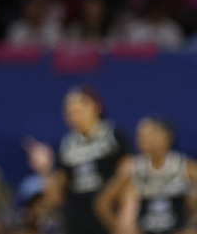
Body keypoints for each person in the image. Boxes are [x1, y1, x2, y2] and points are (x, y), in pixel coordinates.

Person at [48, 86, 130, 234]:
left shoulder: (114, 135)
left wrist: (108, 204)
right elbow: (58, 193)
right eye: (70, 113)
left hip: (109, 215)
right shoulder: (67, 144)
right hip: (77, 219)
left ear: (96, 107)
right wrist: (46, 169)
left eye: (78, 111)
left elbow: (128, 174)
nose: (74, 117)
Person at [96, 117, 197, 234]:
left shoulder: (184, 166)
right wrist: (118, 228)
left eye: (150, 133)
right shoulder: (134, 169)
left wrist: (192, 226)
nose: (143, 138)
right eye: (140, 134)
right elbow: (103, 204)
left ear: (167, 137)